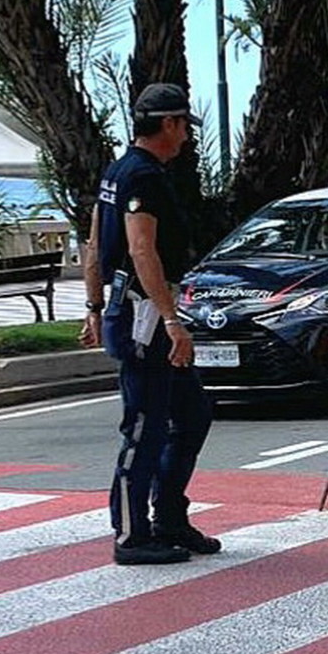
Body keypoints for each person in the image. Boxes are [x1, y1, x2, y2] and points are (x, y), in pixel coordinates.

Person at [80, 83, 220, 565]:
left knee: (192, 414)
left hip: (130, 309)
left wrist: (94, 305)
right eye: (184, 127)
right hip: (145, 316)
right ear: (169, 124)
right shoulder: (143, 178)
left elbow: (94, 241)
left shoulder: (119, 172)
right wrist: (172, 321)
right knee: (144, 426)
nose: (186, 138)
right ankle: (131, 534)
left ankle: (169, 517)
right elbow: (141, 249)